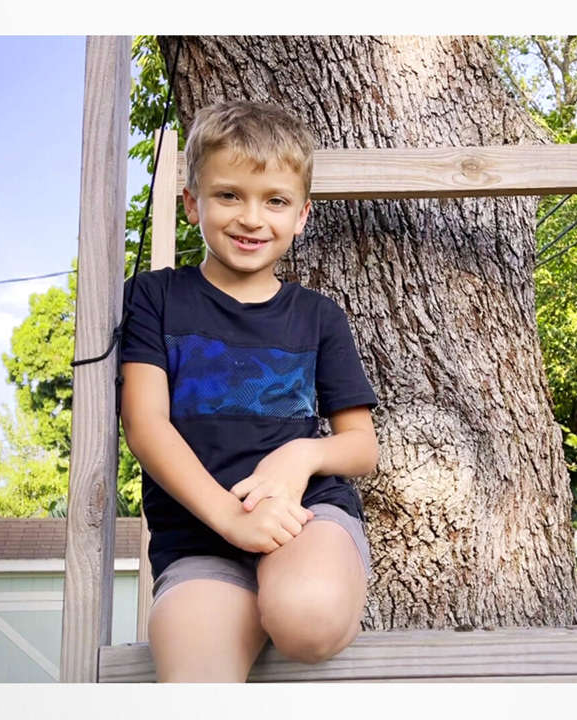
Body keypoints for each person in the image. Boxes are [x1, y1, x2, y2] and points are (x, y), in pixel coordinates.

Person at [119, 100, 380, 682]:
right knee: (195, 682)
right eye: (229, 195)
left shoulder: (319, 317)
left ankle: (300, 593)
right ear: (192, 203)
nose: (252, 218)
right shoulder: (155, 298)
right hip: (200, 539)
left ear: (302, 215)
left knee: (307, 619)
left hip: (301, 518)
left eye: (275, 201)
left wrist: (301, 455)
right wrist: (231, 521)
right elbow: (145, 425)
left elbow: (362, 446)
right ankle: (249, 605)